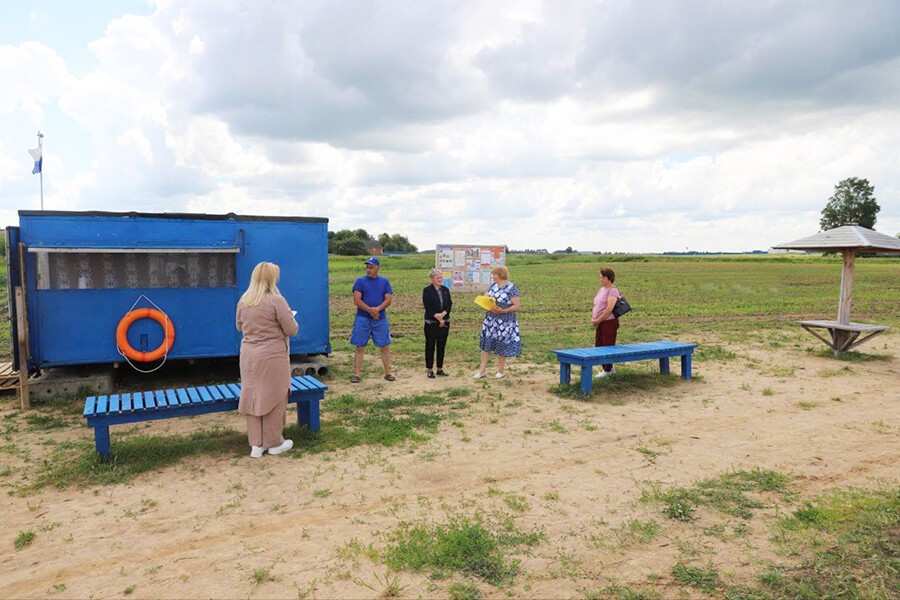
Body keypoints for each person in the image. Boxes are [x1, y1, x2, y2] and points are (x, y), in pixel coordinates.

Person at [236, 261, 299, 458]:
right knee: (274, 395)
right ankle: (273, 442)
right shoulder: (276, 300)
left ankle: (256, 444)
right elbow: (292, 329)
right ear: (272, 278)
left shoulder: (244, 300)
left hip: (248, 355)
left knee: (253, 396)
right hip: (272, 355)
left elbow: (240, 326)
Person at [350, 257, 394, 383]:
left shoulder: (385, 282)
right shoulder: (360, 281)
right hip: (362, 318)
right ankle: (357, 374)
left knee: (385, 346)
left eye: (371, 267)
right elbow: (357, 300)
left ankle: (388, 373)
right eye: (367, 267)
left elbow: (388, 300)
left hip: (380, 319)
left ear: (377, 268)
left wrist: (378, 309)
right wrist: (371, 310)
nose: (368, 270)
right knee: (360, 346)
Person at [474, 265, 521, 379]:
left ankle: (500, 371)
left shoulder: (511, 288)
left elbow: (517, 306)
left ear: (500, 274)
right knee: (486, 345)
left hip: (504, 322)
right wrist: (486, 303)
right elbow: (487, 298)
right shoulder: (493, 286)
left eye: (494, 274)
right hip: (491, 320)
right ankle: (482, 371)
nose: (493, 277)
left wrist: (504, 310)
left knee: (501, 345)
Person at [591, 267, 621, 378]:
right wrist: (594, 318)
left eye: (603, 277)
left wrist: (599, 319)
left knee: (607, 345)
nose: (600, 279)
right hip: (600, 322)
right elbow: (597, 305)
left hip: (609, 322)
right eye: (600, 277)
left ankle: (607, 370)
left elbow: (609, 309)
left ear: (609, 278)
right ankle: (609, 368)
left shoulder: (613, 290)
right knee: (599, 345)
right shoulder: (601, 290)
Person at [422, 267, 452, 378]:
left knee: (441, 345)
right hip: (431, 322)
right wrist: (437, 316)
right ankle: (429, 369)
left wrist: (443, 314)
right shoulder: (427, 290)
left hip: (445, 321)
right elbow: (427, 306)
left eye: (441, 277)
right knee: (430, 345)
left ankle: (440, 368)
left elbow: (449, 304)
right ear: (432, 279)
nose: (439, 279)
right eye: (437, 277)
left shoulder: (445, 290)